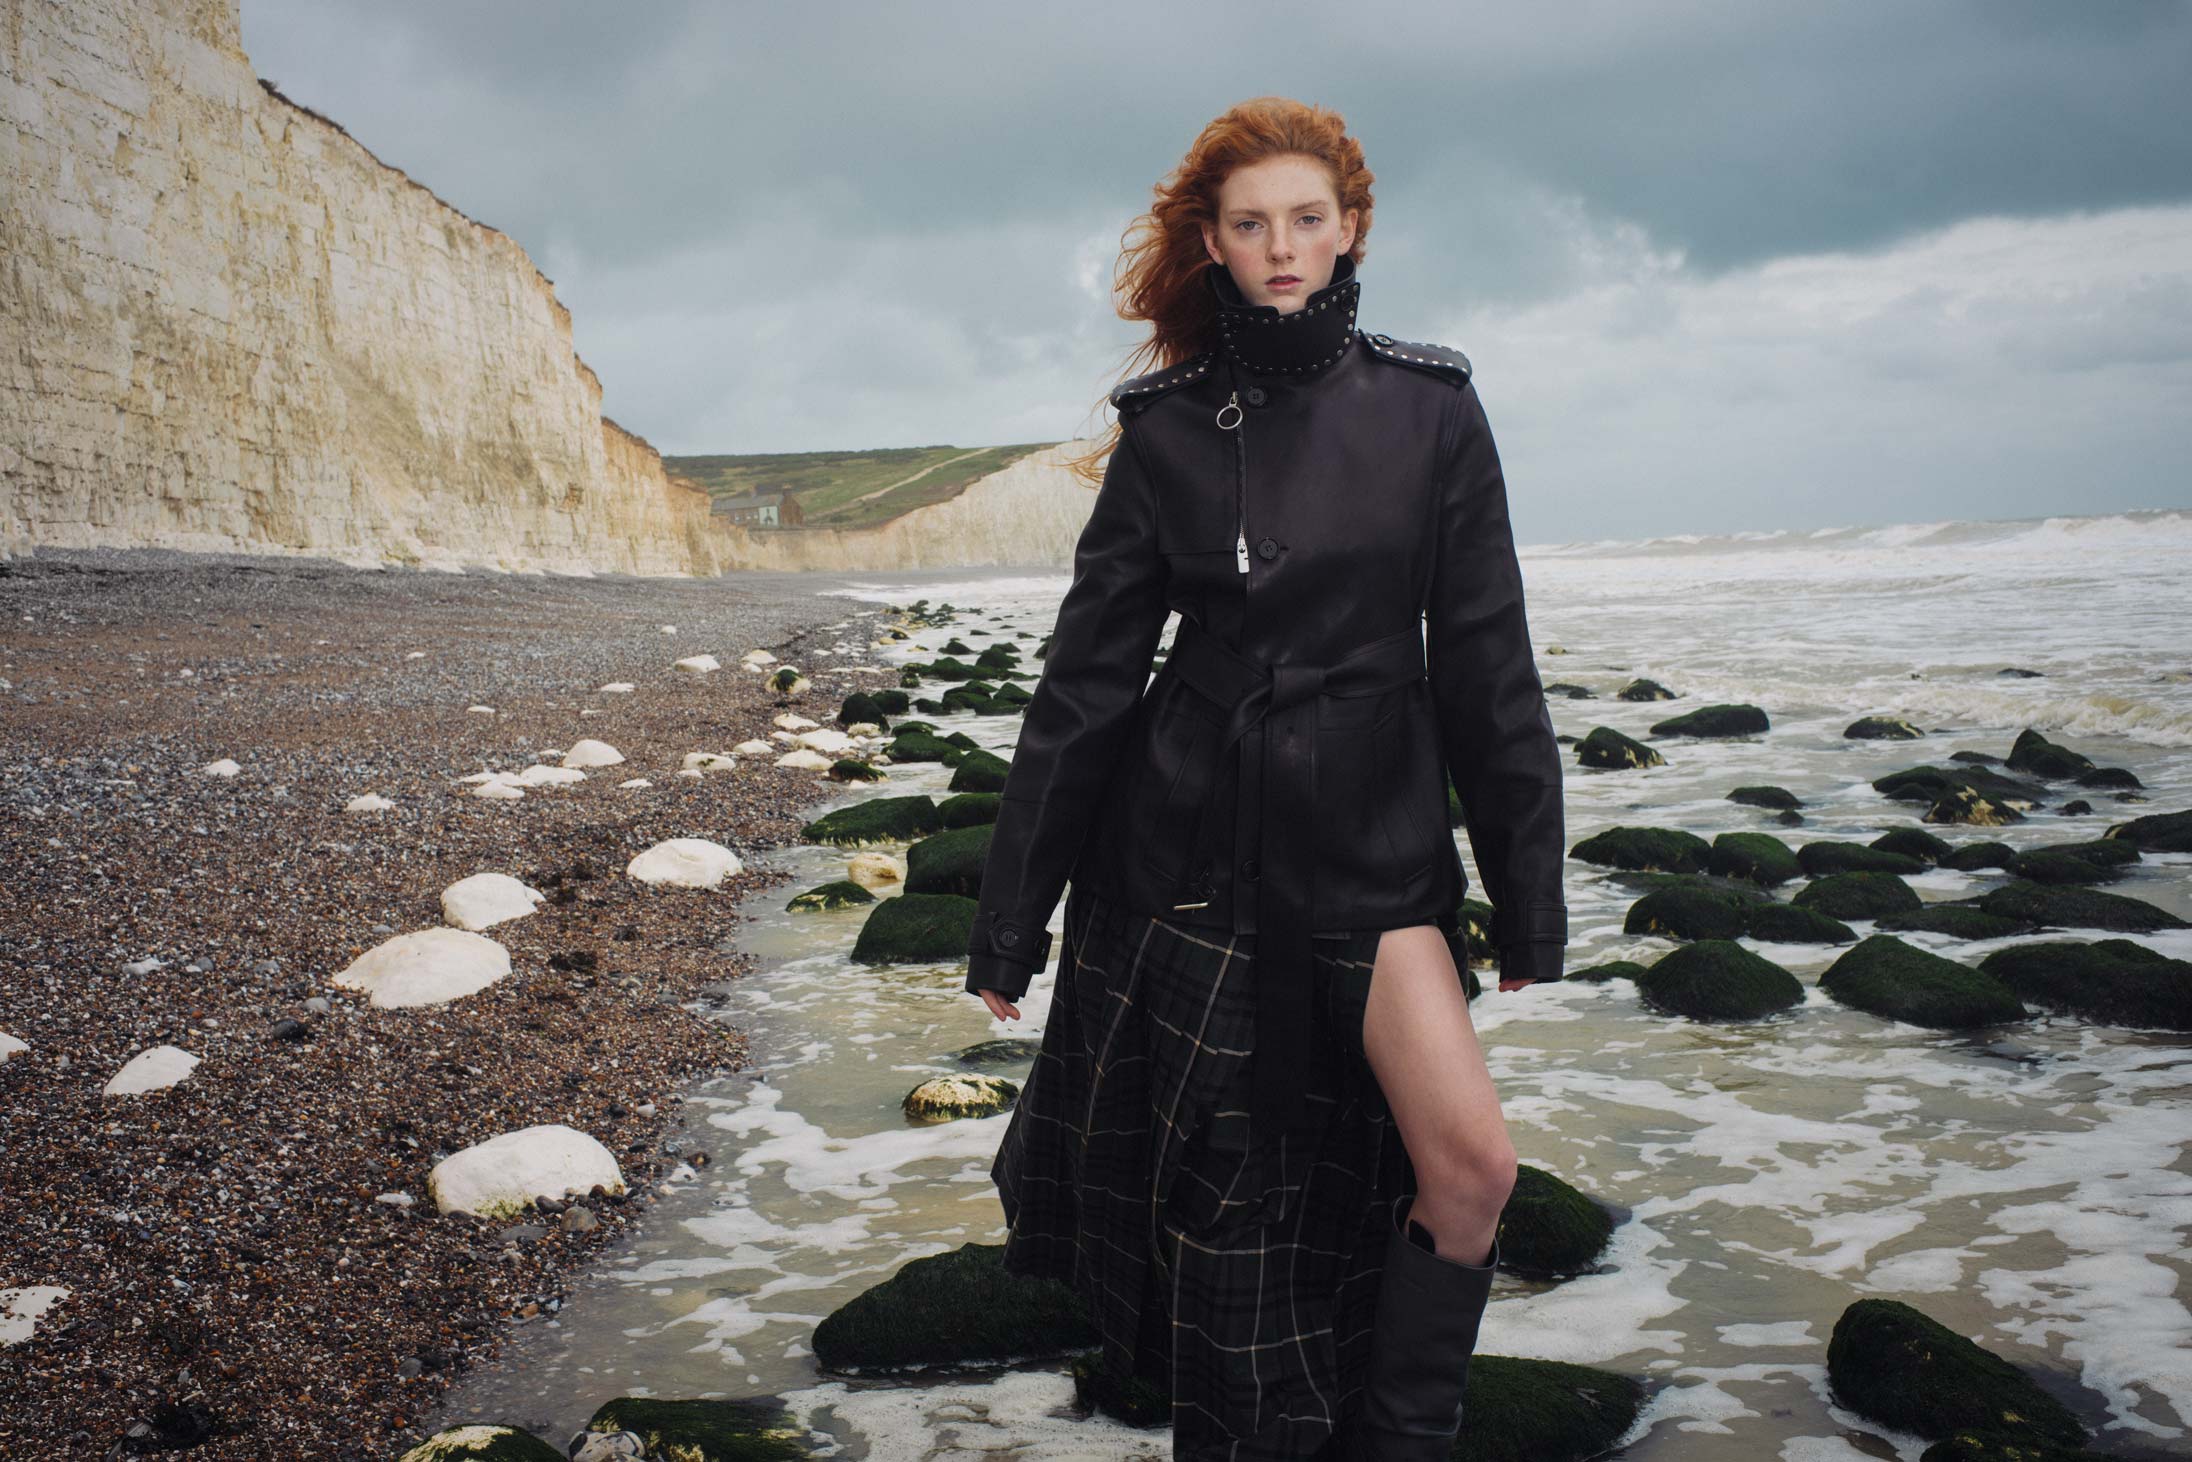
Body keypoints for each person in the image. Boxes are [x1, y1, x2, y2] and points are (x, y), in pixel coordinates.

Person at [961, 95, 1569, 1462]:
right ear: (1215, 245)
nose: (1282, 247)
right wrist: (1012, 921)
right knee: (1235, 1222)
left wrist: (1531, 897)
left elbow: (1488, 669)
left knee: (1469, 1167)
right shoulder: (1168, 428)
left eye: (1306, 218)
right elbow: (1086, 687)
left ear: (1351, 230)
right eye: (1251, 224)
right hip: (1191, 863)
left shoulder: (1434, 412)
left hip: (1375, 852)